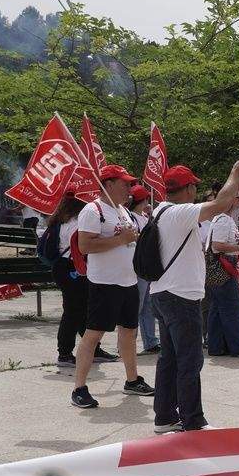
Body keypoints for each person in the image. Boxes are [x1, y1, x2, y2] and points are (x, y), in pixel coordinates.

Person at [149, 159, 239, 433]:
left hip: (165, 293)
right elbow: (220, 204)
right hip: (180, 296)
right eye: (194, 185)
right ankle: (193, 421)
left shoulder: (161, 211)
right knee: (190, 360)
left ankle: (165, 417)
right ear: (189, 188)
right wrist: (235, 173)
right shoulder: (178, 212)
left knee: (170, 359)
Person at [69, 164, 154, 409]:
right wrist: (121, 240)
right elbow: (85, 246)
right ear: (108, 185)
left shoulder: (122, 211)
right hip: (104, 283)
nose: (130, 188)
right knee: (93, 335)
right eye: (125, 183)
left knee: (129, 331)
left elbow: (128, 240)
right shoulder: (92, 211)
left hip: (128, 280)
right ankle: (79, 388)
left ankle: (132, 379)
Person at [41, 192, 117, 369]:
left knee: (82, 309)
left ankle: (92, 348)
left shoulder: (60, 220)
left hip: (65, 267)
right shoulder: (77, 222)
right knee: (74, 311)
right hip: (72, 268)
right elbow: (85, 246)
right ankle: (65, 353)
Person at [202, 188, 239, 359]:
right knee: (233, 307)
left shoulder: (225, 219)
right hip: (224, 266)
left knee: (218, 308)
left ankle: (217, 345)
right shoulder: (223, 220)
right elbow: (217, 245)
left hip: (223, 266)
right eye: (236, 197)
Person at [128, 185, 160, 354]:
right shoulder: (129, 218)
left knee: (148, 305)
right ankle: (128, 343)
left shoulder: (145, 217)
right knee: (137, 306)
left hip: (146, 267)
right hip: (137, 267)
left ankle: (150, 341)